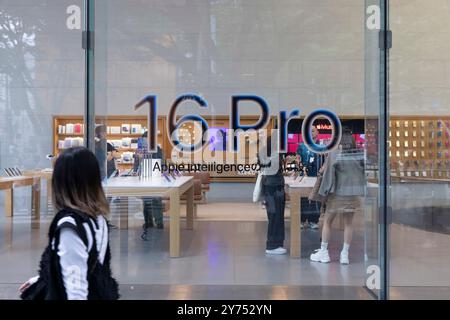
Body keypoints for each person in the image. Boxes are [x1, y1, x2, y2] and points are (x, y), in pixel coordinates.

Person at [19, 147, 119, 299]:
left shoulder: (70, 227)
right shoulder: (98, 219)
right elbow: (84, 267)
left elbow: (76, 290)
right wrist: (43, 279)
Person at [310, 128, 365, 265]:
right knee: (348, 224)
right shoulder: (357, 153)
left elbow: (328, 175)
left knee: (327, 222)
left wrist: (323, 192)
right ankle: (344, 255)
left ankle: (324, 252)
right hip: (353, 194)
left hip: (337, 194)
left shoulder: (335, 153)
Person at [259, 132, 287, 255]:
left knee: (274, 216)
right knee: (276, 216)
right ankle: (272, 245)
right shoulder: (274, 154)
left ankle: (274, 244)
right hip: (275, 188)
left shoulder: (265, 152)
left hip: (270, 186)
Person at [133, 131, 164, 233]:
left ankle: (159, 221)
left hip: (155, 177)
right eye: (145, 139)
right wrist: (135, 171)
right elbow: (136, 163)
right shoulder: (139, 150)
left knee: (156, 199)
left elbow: (160, 162)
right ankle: (148, 221)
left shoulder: (157, 149)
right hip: (144, 177)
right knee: (146, 201)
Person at [296, 125, 323, 229]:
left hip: (317, 177)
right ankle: (302, 220)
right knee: (304, 199)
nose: (310, 133)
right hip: (305, 177)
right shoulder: (302, 146)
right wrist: (301, 169)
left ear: (317, 133)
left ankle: (313, 220)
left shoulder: (321, 146)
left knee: (316, 199)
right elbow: (298, 160)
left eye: (313, 131)